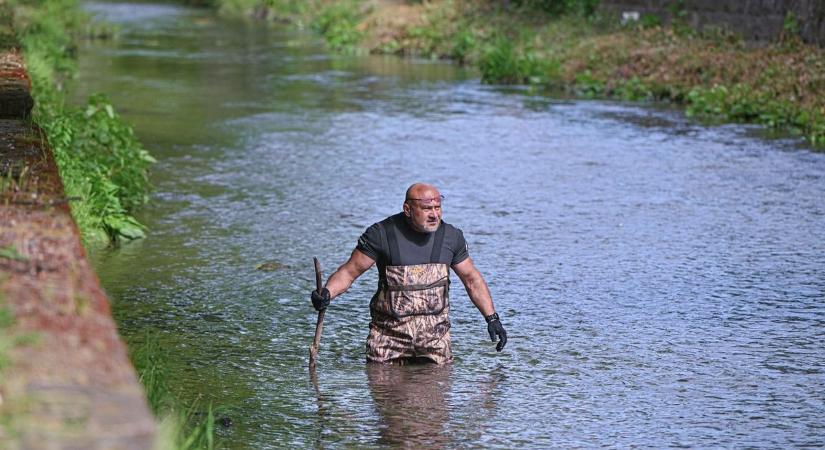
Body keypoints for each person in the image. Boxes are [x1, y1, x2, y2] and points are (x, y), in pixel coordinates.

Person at [310, 183, 507, 364]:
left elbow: (471, 280)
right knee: (387, 400)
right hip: (386, 344)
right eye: (426, 209)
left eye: (437, 208)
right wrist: (327, 293)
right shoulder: (381, 234)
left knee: (437, 401)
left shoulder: (451, 237)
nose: (434, 215)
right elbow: (349, 272)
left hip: (435, 345)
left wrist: (492, 318)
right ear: (407, 210)